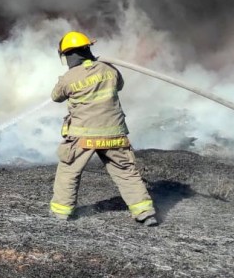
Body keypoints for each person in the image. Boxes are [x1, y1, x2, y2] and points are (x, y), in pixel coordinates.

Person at [49, 31, 158, 226]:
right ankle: (145, 212)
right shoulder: (109, 69)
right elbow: (120, 85)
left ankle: (61, 212)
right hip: (114, 133)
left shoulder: (69, 78)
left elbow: (56, 96)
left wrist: (68, 80)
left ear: (67, 55)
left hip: (82, 135)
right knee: (126, 171)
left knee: (68, 170)